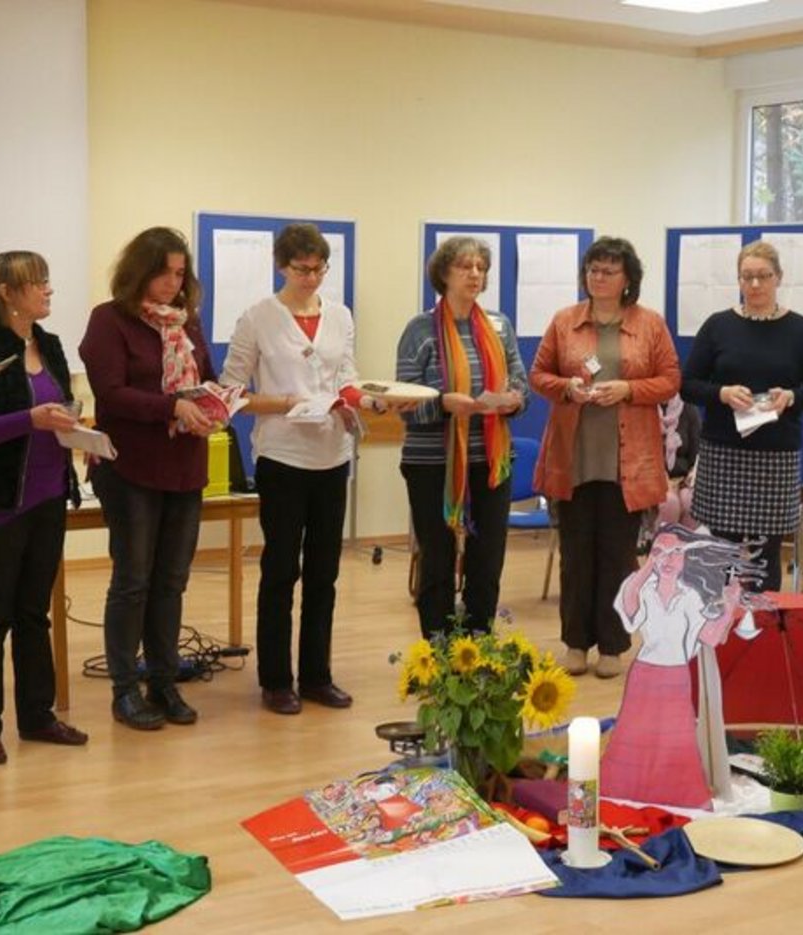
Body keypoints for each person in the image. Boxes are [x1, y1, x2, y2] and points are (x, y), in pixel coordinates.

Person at [220, 223, 376, 715]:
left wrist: (363, 400)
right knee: (281, 570)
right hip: (282, 457)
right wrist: (284, 402)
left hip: (332, 455)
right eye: (301, 269)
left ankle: (316, 675)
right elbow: (231, 393)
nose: (311, 278)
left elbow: (346, 376)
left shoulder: (340, 315)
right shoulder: (257, 318)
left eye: (319, 269)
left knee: (324, 572)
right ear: (281, 266)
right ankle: (275, 680)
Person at [0, 252, 89, 765]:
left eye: (48, 281)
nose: (48, 290)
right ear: (6, 292)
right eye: (37, 283)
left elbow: (60, 411)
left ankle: (38, 716)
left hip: (48, 496)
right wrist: (28, 419)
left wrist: (78, 430)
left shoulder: (50, 344)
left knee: (34, 613)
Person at [79, 227, 216, 729]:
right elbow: (110, 393)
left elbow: (206, 377)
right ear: (139, 271)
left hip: (185, 465)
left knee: (171, 582)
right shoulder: (110, 320)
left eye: (180, 274)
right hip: (131, 467)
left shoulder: (187, 322)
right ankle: (124, 690)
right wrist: (172, 406)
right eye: (163, 273)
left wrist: (215, 403)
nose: (173, 283)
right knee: (133, 581)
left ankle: (163, 682)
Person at [530, 237, 680, 679]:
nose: (598, 277)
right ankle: (576, 643)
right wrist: (567, 388)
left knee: (617, 556)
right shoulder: (565, 321)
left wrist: (629, 389)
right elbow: (538, 374)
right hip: (573, 459)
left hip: (627, 464)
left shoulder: (650, 323)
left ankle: (613, 646)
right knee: (576, 556)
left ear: (627, 278)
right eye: (593, 269)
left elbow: (671, 379)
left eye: (609, 271)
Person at [681, 240, 803, 591]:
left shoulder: (802, 330)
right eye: (746, 276)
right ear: (738, 280)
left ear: (779, 277)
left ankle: (762, 618)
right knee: (721, 548)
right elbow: (687, 385)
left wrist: (791, 397)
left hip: (775, 455)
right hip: (724, 452)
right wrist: (722, 393)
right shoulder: (718, 325)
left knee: (765, 552)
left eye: (763, 276)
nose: (754, 284)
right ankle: (721, 621)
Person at [396, 236, 529, 639]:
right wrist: (444, 404)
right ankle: (438, 651)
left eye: (481, 268)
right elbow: (405, 403)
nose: (474, 274)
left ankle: (477, 647)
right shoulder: (420, 329)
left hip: (490, 461)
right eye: (465, 267)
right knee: (437, 560)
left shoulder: (500, 326)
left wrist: (511, 401)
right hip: (432, 463)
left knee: (487, 561)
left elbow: (520, 384)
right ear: (443, 274)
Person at [601, 525, 767, 808]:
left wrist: (729, 606)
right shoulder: (643, 590)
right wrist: (648, 566)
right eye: (659, 552)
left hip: (676, 677)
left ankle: (676, 790)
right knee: (635, 734)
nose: (667, 559)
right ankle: (627, 787)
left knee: (677, 737)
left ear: (685, 558)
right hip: (645, 674)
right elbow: (628, 601)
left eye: (676, 552)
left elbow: (709, 637)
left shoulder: (690, 597)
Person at [657, 395, 701, 530]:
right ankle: (662, 542)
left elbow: (696, 454)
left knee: (690, 501)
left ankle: (685, 543)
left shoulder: (689, 408)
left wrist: (689, 477)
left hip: (682, 479)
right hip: (653, 477)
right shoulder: (645, 407)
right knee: (669, 502)